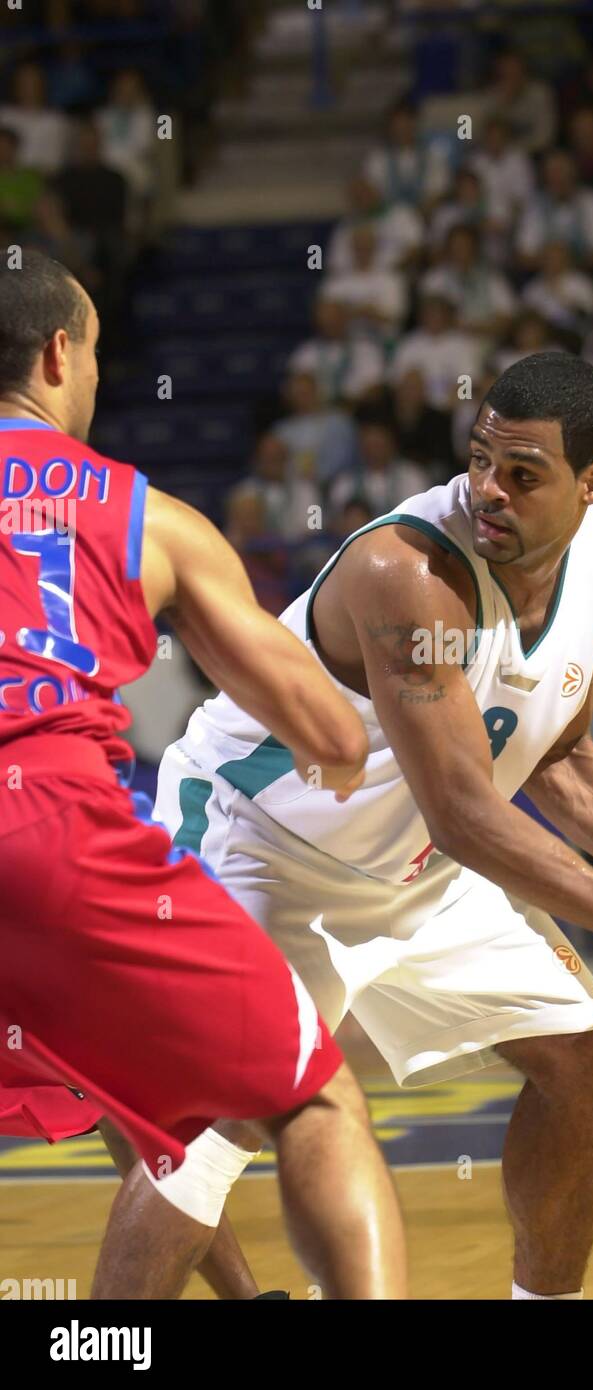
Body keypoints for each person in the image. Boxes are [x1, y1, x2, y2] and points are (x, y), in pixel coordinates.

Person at [105, 352, 593, 1301]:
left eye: (523, 475)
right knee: (214, 1129)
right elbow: (467, 812)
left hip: (414, 868)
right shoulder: (407, 571)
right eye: (480, 461)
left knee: (589, 1062)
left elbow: (553, 758)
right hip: (263, 845)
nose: (488, 491)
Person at [0, 251, 406, 1300]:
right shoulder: (145, 515)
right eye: (91, 357)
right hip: (50, 829)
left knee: (133, 1089)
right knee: (313, 1101)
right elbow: (327, 729)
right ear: (56, 356)